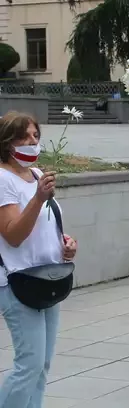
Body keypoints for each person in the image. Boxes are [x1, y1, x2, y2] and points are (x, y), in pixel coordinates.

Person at [0, 111, 78, 407]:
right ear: (8, 143)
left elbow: (44, 225)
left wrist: (65, 244)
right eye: (24, 136)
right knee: (28, 365)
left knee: (41, 366)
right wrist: (37, 199)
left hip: (46, 277)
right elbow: (13, 235)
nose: (32, 141)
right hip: (17, 282)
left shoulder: (34, 175)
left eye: (35, 135)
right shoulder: (2, 179)